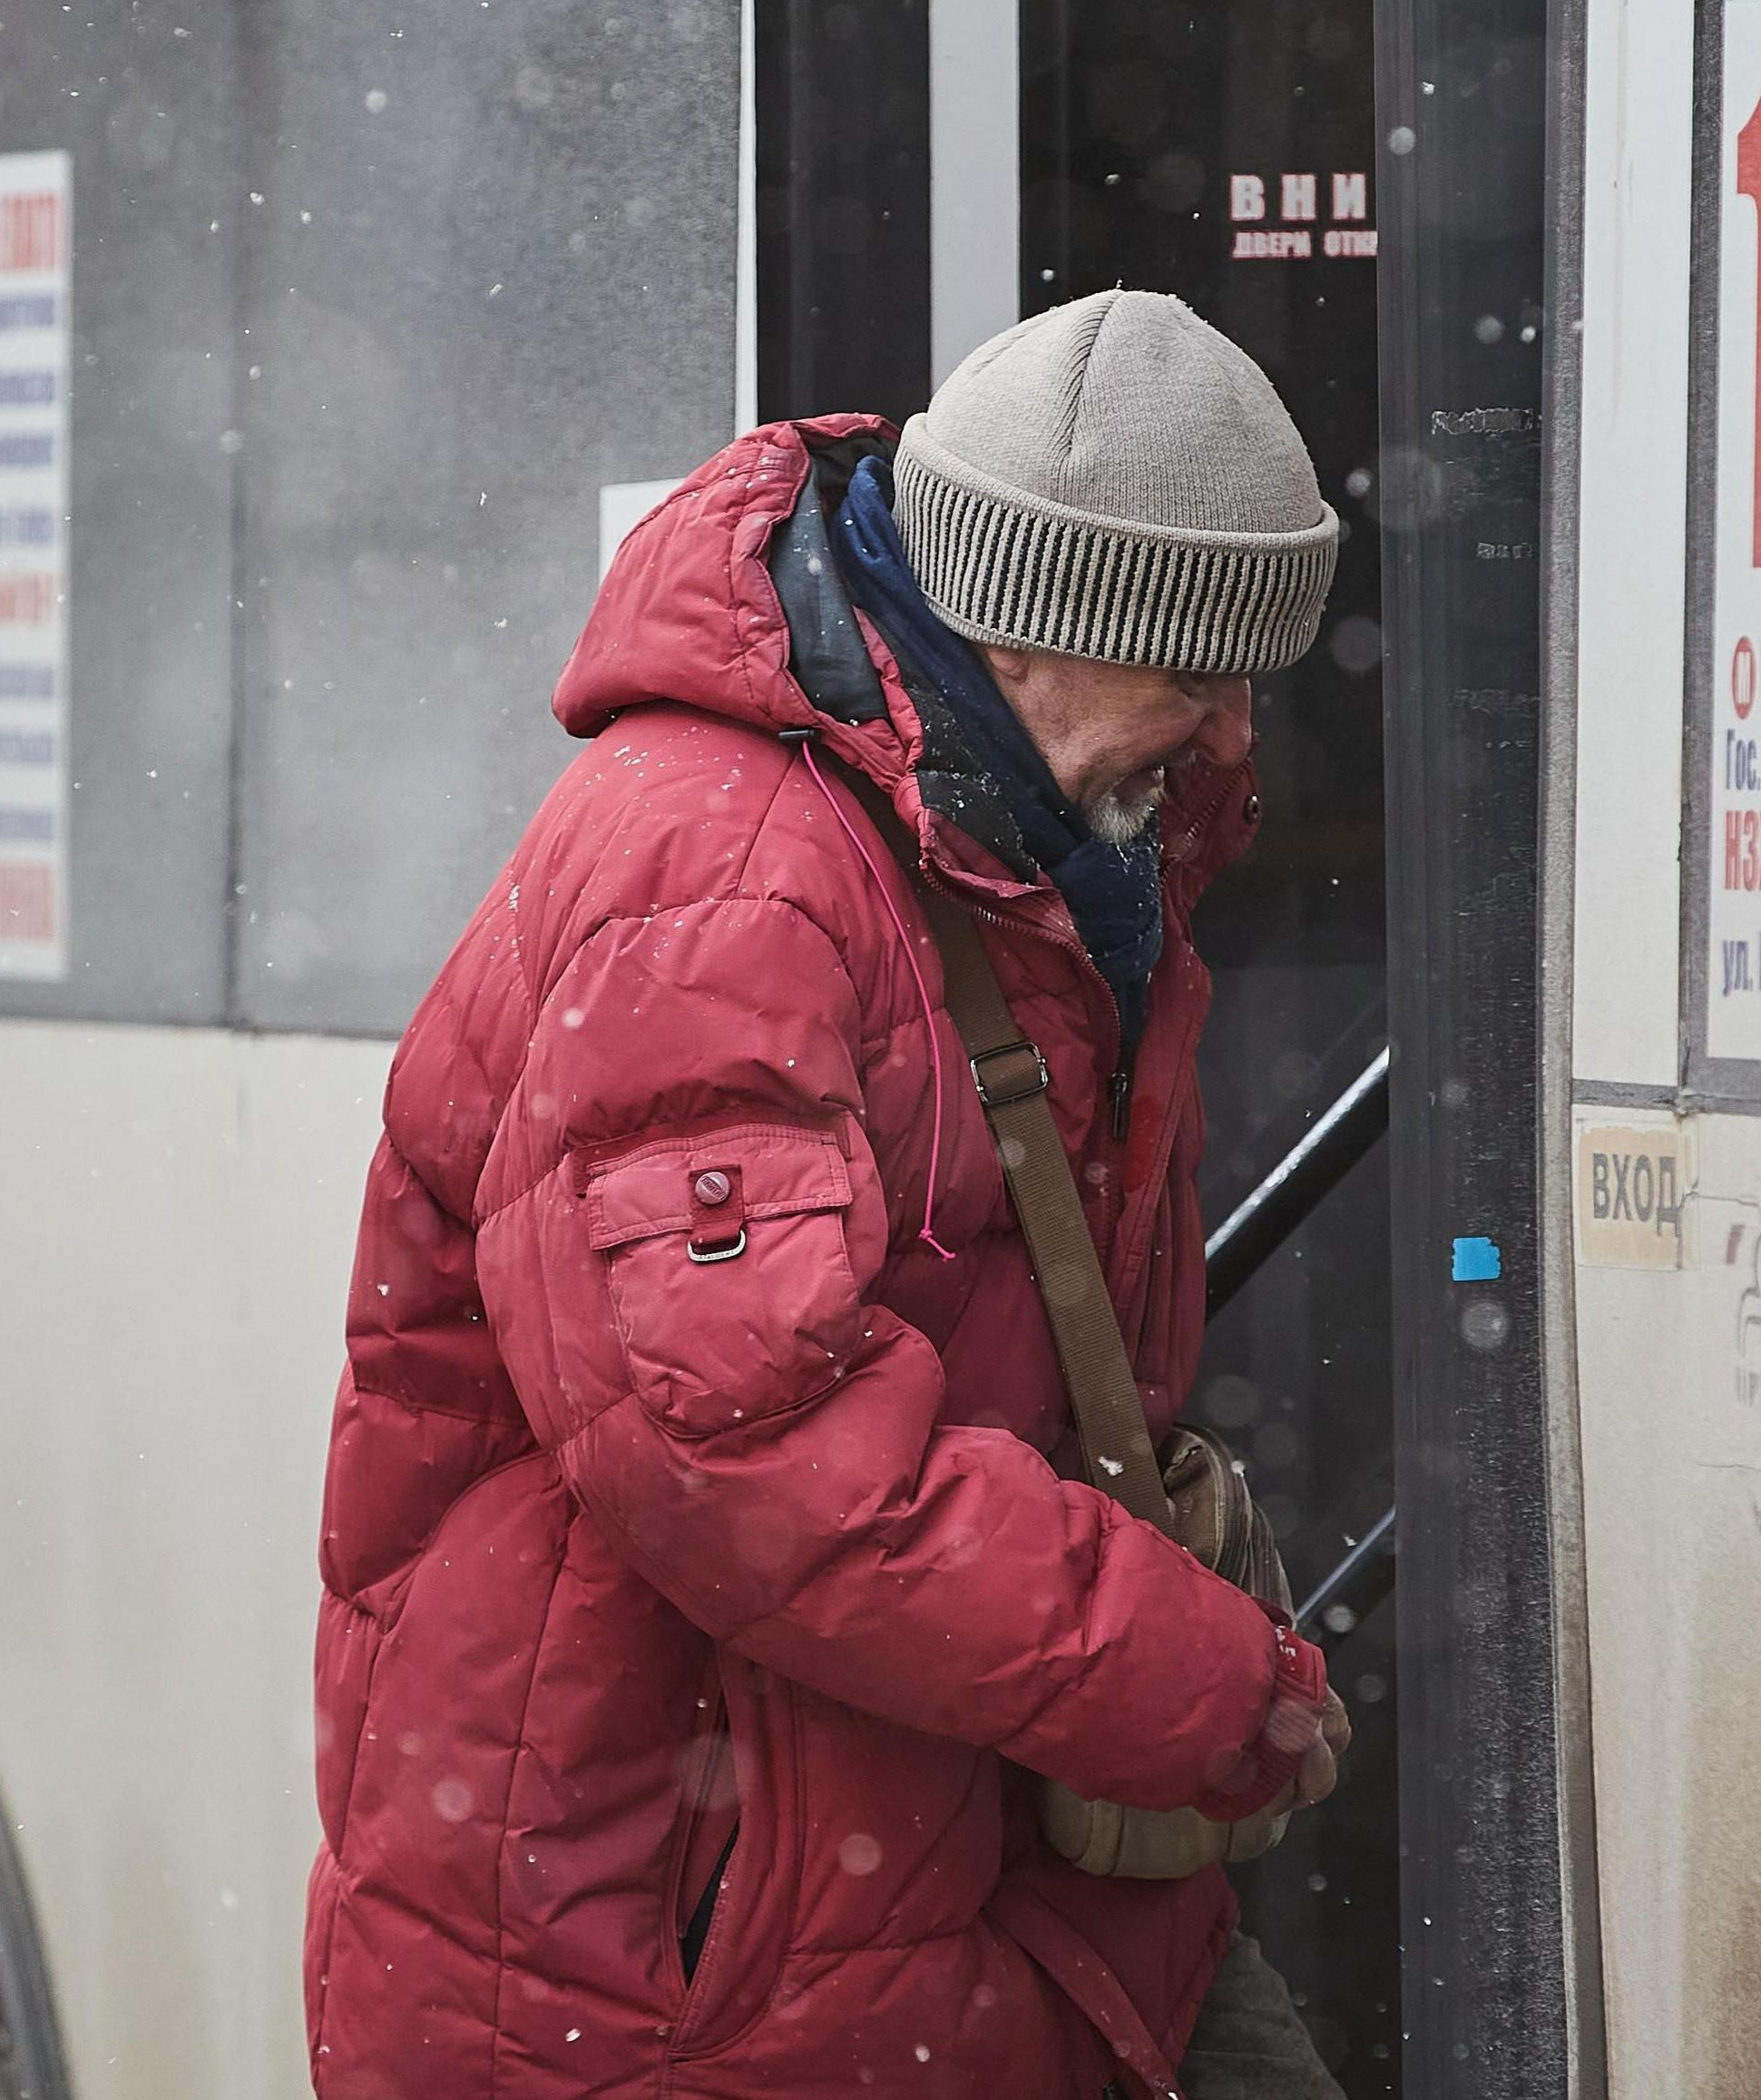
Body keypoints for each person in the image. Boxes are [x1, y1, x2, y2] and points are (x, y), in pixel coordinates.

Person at [305, 290, 1356, 2099]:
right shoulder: (721, 878)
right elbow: (745, 1444)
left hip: (895, 1883)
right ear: (1033, 634)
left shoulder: (1005, 838)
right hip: (678, 1947)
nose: (1220, 724)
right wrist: (1189, 1679)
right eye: (1192, 672)